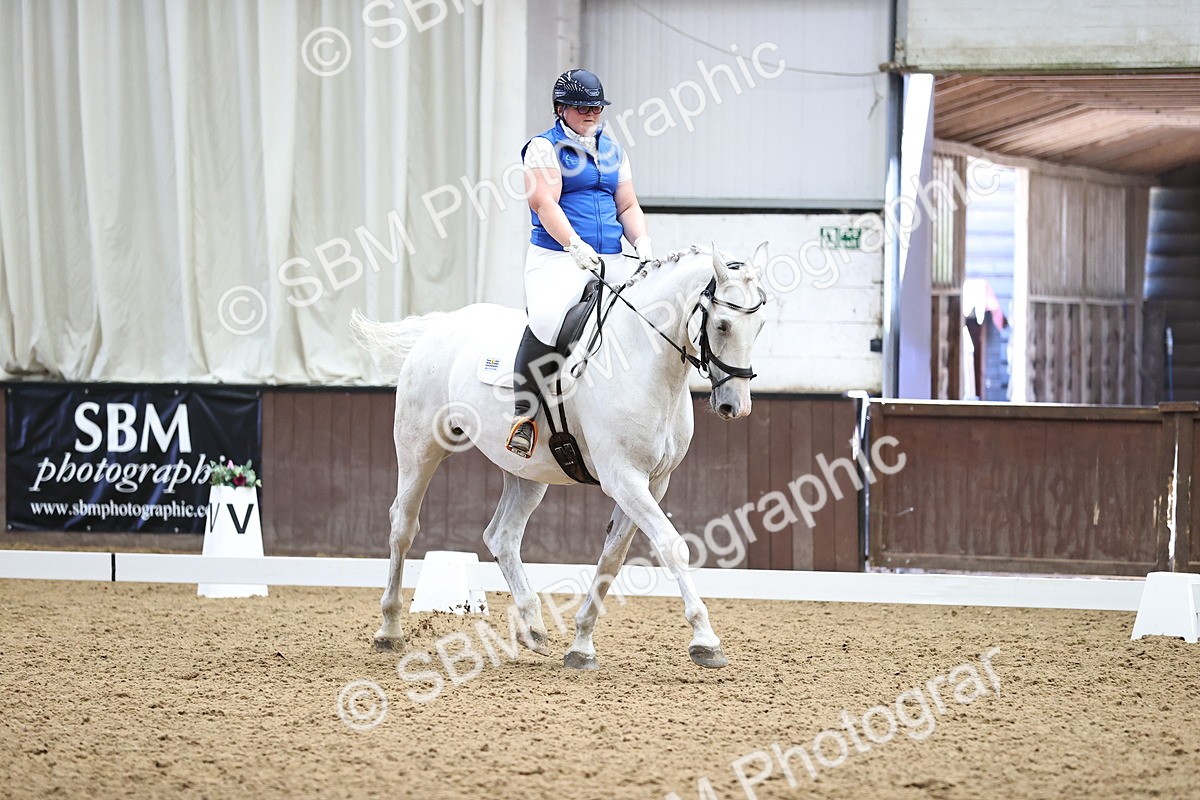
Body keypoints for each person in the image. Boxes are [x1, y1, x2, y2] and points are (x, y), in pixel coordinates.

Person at [505, 68, 654, 458]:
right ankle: (524, 414)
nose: (591, 114)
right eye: (581, 107)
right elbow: (543, 202)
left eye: (596, 107)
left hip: (612, 257)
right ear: (561, 108)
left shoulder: (614, 149)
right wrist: (573, 244)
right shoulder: (543, 147)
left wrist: (643, 242)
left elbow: (628, 204)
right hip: (557, 257)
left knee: (650, 314)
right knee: (550, 317)